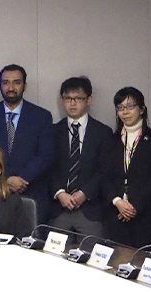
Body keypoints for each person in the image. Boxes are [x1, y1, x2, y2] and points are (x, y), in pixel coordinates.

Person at [0, 64, 53, 224]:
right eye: (6, 83)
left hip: (33, 191)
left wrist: (22, 178)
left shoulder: (41, 116)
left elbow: (45, 155)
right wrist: (6, 179)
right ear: (0, 85)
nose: (11, 87)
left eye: (16, 82)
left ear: (25, 85)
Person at [49, 76, 113, 242]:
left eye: (78, 98)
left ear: (89, 100)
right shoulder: (52, 131)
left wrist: (85, 193)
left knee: (93, 260)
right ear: (62, 100)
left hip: (90, 209)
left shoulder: (103, 132)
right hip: (59, 208)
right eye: (68, 98)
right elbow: (48, 166)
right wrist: (60, 193)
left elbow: (105, 169)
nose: (72, 103)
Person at [103, 87, 151, 248]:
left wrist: (135, 205)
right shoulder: (110, 140)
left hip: (146, 214)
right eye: (120, 108)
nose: (125, 112)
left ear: (142, 109)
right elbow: (103, 175)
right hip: (115, 214)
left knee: (145, 265)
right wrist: (117, 201)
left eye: (130, 106)